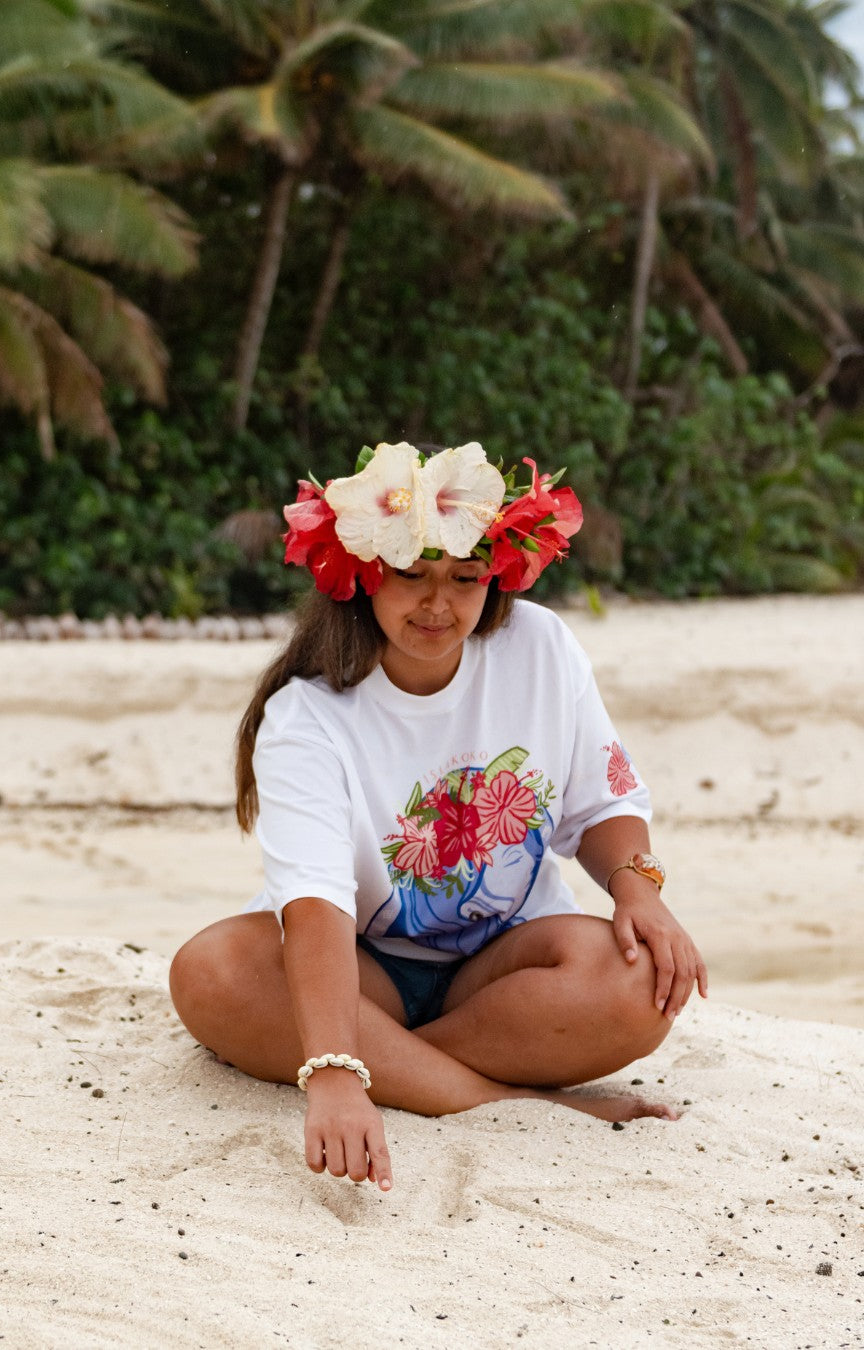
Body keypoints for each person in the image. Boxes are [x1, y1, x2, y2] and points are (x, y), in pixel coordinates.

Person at [170, 440, 707, 1194]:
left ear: (497, 577)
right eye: (411, 576)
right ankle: (494, 1096)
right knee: (212, 972)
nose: (437, 604)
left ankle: (403, 1065)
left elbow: (602, 805)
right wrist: (331, 1072)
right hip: (361, 971)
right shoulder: (307, 719)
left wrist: (639, 889)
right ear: (362, 575)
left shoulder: (541, 649)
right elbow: (316, 903)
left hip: (504, 971)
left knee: (640, 978)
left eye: (464, 579)